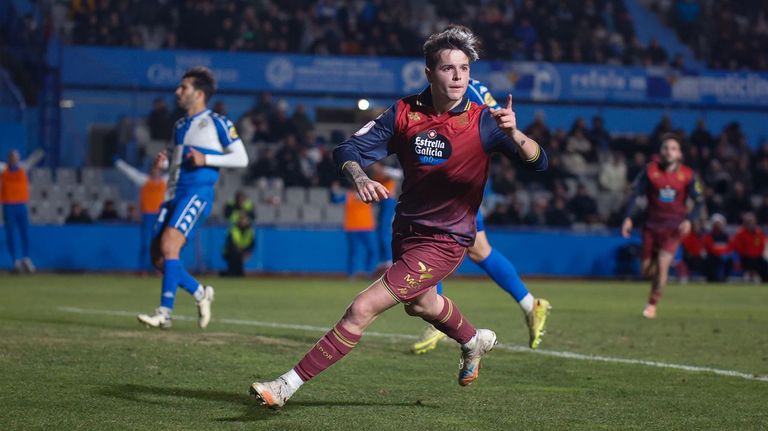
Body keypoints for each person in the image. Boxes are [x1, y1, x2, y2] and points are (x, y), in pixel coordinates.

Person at [249, 26, 548, 408]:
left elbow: (541, 164)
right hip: (407, 229)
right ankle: (474, 341)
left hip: (447, 240)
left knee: (362, 308)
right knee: (421, 305)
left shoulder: (485, 121)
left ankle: (285, 386)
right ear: (429, 74)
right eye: (447, 68)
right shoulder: (405, 112)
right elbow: (348, 148)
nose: (457, 76)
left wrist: (517, 135)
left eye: (463, 69)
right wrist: (359, 176)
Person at [409, 77, 552, 355]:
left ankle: (436, 314)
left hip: (458, 182)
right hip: (454, 180)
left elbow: (497, 125)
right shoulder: (472, 86)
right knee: (479, 249)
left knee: (432, 237)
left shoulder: (467, 88)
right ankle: (530, 305)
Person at [137, 67, 249, 329]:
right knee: (158, 258)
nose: (178, 91)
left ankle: (164, 313)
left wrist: (206, 158)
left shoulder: (217, 122)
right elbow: (178, 163)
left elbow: (241, 158)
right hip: (173, 194)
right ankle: (200, 293)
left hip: (197, 193)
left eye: (183, 87)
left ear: (198, 94)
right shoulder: (179, 126)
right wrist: (165, 164)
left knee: (169, 245)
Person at [622, 134, 704, 319]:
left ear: (679, 153)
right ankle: (655, 283)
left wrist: (689, 220)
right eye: (666, 148)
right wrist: (628, 218)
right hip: (651, 225)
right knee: (646, 270)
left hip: (674, 227)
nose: (669, 152)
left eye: (673, 148)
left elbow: (699, 201)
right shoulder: (650, 171)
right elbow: (636, 195)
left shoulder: (688, 175)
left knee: (663, 264)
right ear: (660, 152)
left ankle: (652, 305)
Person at [115, 157, 167, 272]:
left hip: (160, 216)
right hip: (148, 215)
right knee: (145, 244)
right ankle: (143, 269)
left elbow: (177, 174)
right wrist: (119, 163)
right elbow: (130, 172)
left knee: (160, 244)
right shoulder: (144, 181)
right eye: (154, 170)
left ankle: (159, 269)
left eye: (157, 170)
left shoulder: (164, 182)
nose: (155, 172)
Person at [0, 149, 43, 272]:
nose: (15, 159)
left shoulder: (22, 169)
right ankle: (15, 261)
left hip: (21, 205)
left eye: (16, 157)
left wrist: (40, 152)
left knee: (24, 232)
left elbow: (33, 160)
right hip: (8, 205)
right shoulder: (3, 170)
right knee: (10, 234)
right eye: (13, 157)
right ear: (9, 158)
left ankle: (26, 258)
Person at [331, 180, 378, 278]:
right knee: (353, 251)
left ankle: (368, 272)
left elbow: (378, 199)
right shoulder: (348, 196)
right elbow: (335, 200)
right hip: (353, 228)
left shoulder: (368, 194)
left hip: (367, 227)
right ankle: (351, 274)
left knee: (372, 250)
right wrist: (334, 190)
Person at [731, 212, 767, 282]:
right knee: (748, 264)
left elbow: (762, 245)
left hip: (757, 257)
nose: (750, 223)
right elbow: (739, 247)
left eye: (751, 221)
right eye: (747, 222)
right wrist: (748, 253)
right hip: (745, 257)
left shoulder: (759, 232)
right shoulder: (740, 233)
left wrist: (757, 254)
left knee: (765, 265)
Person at [702, 214, 732, 282]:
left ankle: (725, 278)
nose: (718, 225)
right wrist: (720, 251)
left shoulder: (725, 236)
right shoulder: (709, 235)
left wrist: (723, 253)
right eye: (716, 224)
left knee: (729, 261)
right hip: (713, 256)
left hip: (723, 256)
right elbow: (710, 247)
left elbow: (729, 247)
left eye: (719, 224)